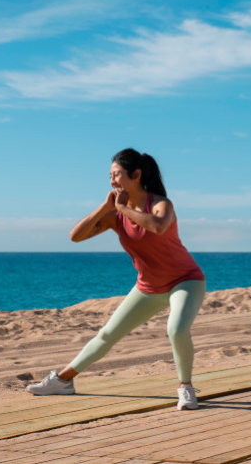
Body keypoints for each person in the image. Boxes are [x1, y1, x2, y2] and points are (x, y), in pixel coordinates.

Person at [26, 148, 206, 411]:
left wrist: (122, 207)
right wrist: (106, 208)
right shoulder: (115, 215)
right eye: (110, 176)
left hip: (185, 280)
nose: (112, 181)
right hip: (148, 286)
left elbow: (157, 226)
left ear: (136, 175)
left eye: (117, 175)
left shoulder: (160, 204)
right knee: (107, 334)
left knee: (176, 329)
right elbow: (75, 236)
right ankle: (63, 381)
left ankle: (186, 388)